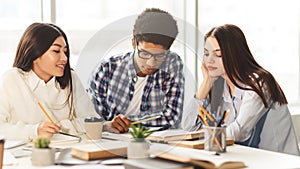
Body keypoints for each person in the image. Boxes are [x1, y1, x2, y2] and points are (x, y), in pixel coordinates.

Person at [181, 24, 299, 155]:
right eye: (206, 54)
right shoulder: (218, 85)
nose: (209, 60)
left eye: (218, 55)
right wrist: (205, 84)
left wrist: (207, 134)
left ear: (234, 54)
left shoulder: (258, 82)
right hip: (248, 158)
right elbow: (188, 127)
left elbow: (239, 132)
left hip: (280, 162)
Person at [89, 8, 184, 133]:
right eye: (144, 53)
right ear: (134, 43)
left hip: (155, 144)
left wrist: (128, 122)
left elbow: (172, 118)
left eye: (159, 56)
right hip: (111, 142)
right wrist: (107, 125)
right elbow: (92, 118)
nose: (151, 63)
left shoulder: (172, 63)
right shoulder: (106, 70)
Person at [0, 23, 100, 141]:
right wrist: (34, 131)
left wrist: (61, 126)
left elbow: (92, 121)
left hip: (71, 151)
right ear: (35, 53)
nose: (64, 58)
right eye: (56, 51)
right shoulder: (12, 79)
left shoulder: (71, 79)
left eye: (65, 52)